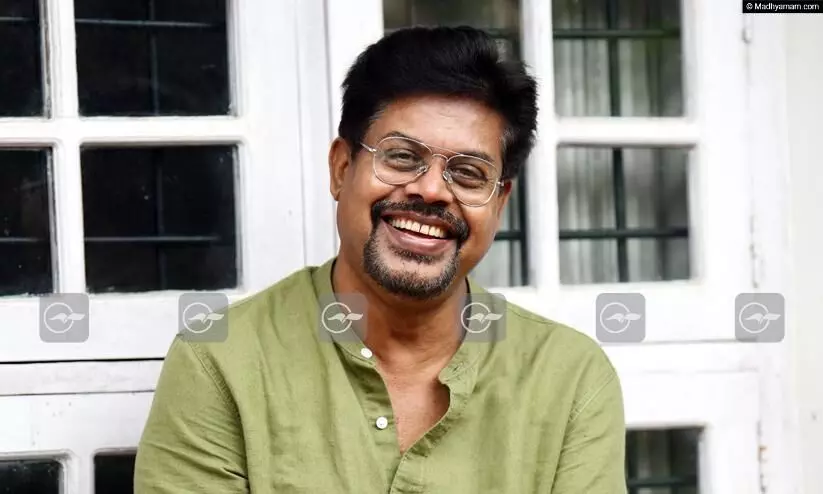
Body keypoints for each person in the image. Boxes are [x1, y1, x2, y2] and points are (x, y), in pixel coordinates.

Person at [134, 26, 627, 493]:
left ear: (499, 202)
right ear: (341, 168)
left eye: (468, 173)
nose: (431, 190)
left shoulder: (569, 379)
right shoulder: (222, 361)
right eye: (402, 156)